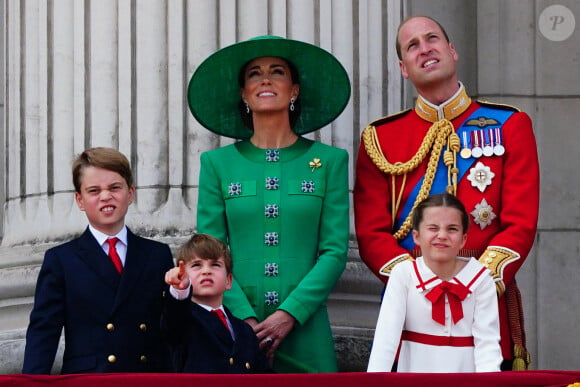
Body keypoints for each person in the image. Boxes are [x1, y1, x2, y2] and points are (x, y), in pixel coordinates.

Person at [354, 16, 539, 370]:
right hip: (409, 306)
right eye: (412, 46)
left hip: (486, 296)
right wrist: (419, 285)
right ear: (403, 68)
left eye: (432, 38)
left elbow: (521, 223)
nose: (424, 49)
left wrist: (475, 283)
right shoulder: (380, 138)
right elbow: (370, 233)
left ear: (452, 50)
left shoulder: (509, 125)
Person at [185, 35, 351, 373]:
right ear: (244, 94)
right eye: (253, 74)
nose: (265, 79)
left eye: (277, 71)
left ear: (294, 90)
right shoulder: (217, 164)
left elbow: (334, 250)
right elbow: (209, 251)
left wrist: (291, 313)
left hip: (307, 327)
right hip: (235, 325)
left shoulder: (330, 161)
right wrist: (244, 319)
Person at [22, 147, 174, 374]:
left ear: (130, 193)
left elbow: (174, 328)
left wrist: (181, 294)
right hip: (89, 379)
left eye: (115, 187)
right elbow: (44, 332)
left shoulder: (157, 254)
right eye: (94, 190)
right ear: (80, 200)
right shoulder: (61, 260)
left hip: (146, 377)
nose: (106, 196)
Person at [367, 193, 502, 373]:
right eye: (433, 228)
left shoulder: (481, 279)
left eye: (452, 229)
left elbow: (488, 345)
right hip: (414, 380)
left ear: (463, 239)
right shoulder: (404, 274)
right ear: (416, 236)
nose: (442, 235)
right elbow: (386, 340)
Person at [162, 233, 270, 373]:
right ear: (183, 275)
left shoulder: (244, 329)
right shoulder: (183, 320)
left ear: (228, 281)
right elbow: (173, 320)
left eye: (215, 265)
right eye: (196, 265)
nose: (206, 271)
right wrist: (179, 290)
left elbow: (263, 376)